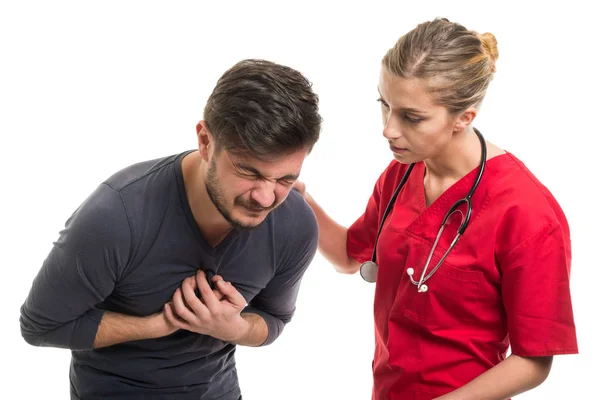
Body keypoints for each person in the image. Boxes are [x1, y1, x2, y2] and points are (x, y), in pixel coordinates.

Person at [294, 18, 578, 400]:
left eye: (411, 117)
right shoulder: (402, 173)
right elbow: (351, 254)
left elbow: (534, 359)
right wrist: (296, 198)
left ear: (464, 118)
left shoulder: (527, 214)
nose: (388, 129)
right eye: (385, 105)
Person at [20, 59, 322, 400]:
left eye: (285, 178)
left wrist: (232, 328)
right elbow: (40, 326)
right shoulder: (117, 216)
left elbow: (275, 318)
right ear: (206, 141)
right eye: (249, 172)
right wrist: (157, 325)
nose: (266, 197)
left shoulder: (295, 226)